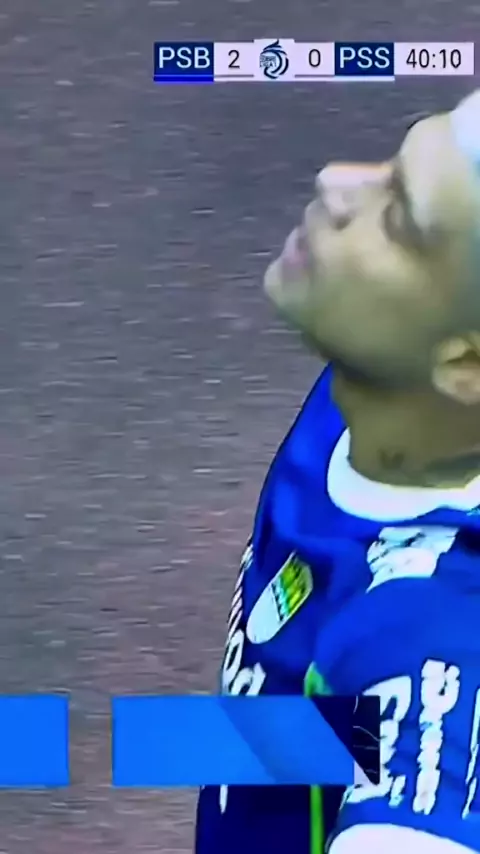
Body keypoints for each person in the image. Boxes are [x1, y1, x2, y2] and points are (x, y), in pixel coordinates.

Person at [195, 89, 480, 854]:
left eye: (399, 220)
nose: (335, 181)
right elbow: (310, 731)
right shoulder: (375, 391)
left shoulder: (432, 632)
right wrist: (50, 742)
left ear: (466, 367)